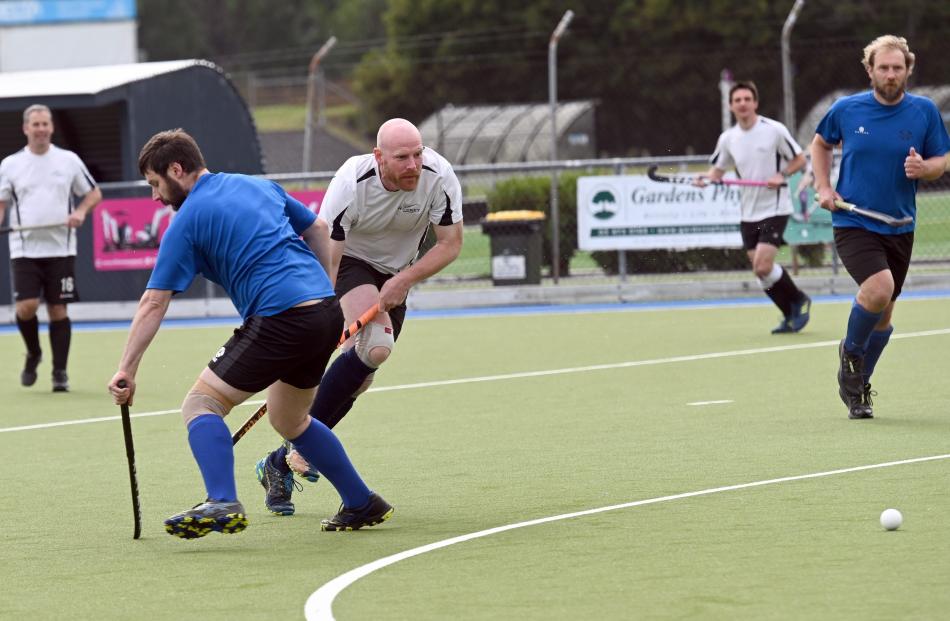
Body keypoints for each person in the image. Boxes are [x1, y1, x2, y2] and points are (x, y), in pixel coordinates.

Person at [107, 129, 394, 538]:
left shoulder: (186, 221)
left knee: (201, 404)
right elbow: (318, 228)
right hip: (324, 314)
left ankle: (222, 499)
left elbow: (153, 303)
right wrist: (323, 291)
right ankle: (361, 500)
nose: (155, 197)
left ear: (177, 169)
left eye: (156, 184)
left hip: (280, 319)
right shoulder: (256, 186)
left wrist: (126, 370)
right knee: (290, 419)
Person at [255, 118, 464, 516]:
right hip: (349, 263)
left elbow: (451, 243)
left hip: (399, 271)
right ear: (379, 156)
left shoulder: (439, 175)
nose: (413, 165)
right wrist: (318, 318)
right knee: (376, 347)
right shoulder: (352, 182)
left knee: (361, 378)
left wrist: (404, 279)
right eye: (402, 157)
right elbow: (327, 253)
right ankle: (301, 451)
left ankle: (279, 463)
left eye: (418, 154)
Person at [811, 35, 949, 420]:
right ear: (869, 70)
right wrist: (824, 186)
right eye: (883, 67)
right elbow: (820, 144)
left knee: (884, 315)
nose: (891, 74)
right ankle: (851, 354)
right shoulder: (846, 109)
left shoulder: (923, 111)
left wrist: (927, 168)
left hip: (900, 224)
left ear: (908, 70)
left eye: (897, 68)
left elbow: (943, 158)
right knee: (878, 288)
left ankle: (857, 386)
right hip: (854, 219)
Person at [0, 104, 102, 391]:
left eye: (46, 124)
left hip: (61, 247)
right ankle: (33, 353)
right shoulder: (10, 165)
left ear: (52, 127)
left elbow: (93, 193)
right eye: (36, 125)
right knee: (27, 306)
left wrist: (80, 212)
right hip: (24, 249)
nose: (41, 129)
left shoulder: (68, 160)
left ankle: (60, 373)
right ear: (26, 128)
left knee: (58, 310)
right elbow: (1, 203)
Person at [697, 81, 811, 334]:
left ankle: (799, 299)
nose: (743, 104)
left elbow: (800, 159)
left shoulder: (774, 130)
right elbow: (717, 169)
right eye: (737, 100)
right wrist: (706, 179)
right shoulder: (728, 138)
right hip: (748, 211)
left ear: (755, 103)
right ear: (731, 106)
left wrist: (782, 175)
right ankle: (789, 313)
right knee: (761, 273)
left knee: (762, 265)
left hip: (776, 207)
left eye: (747, 99)